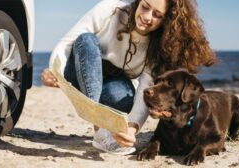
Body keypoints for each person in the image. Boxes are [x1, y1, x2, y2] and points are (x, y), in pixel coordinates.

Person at [41, 0, 217, 155]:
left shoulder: (157, 47)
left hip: (110, 82)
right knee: (86, 40)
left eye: (157, 15)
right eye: (145, 7)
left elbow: (145, 88)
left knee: (127, 99)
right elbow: (67, 43)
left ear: (166, 20)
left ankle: (102, 124)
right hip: (78, 69)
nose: (147, 17)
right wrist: (54, 71)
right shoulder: (110, 9)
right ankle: (100, 130)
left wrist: (132, 129)